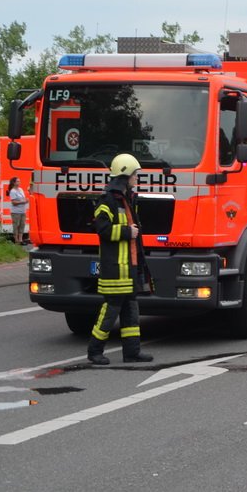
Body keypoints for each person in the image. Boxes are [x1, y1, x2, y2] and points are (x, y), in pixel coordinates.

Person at [87, 154, 154, 364]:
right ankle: (94, 351)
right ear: (125, 175)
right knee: (110, 312)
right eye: (135, 174)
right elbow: (102, 229)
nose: (137, 178)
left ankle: (132, 352)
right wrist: (127, 232)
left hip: (129, 268)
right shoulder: (107, 200)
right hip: (115, 270)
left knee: (131, 313)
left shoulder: (127, 199)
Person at [7, 177, 29, 245]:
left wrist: (25, 200)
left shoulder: (21, 189)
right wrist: (23, 202)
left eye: (19, 181)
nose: (19, 183)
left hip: (22, 211)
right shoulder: (13, 191)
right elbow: (14, 202)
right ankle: (16, 240)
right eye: (17, 181)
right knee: (16, 225)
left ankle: (21, 240)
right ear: (14, 183)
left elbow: (23, 198)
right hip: (15, 212)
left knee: (22, 225)